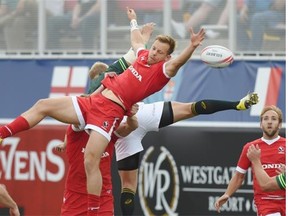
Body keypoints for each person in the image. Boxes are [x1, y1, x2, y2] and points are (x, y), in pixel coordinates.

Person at [0, 6, 205, 214]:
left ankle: (93, 210)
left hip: (110, 112)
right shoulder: (143, 56)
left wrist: (192, 47)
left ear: (166, 57)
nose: (154, 53)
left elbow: (178, 63)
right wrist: (133, 21)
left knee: (91, 159)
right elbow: (137, 41)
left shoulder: (161, 72)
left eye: (160, 52)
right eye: (154, 48)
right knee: (43, 105)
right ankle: (3, 133)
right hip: (93, 101)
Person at [55, 112, 138, 216]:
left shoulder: (108, 133)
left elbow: (132, 126)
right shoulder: (76, 132)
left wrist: (129, 111)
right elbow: (75, 116)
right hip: (75, 199)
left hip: (103, 198)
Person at [215, 105, 286, 215]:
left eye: (274, 118)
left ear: (280, 124)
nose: (270, 122)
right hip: (265, 202)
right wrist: (227, 194)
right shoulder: (251, 147)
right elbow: (239, 176)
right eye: (266, 118)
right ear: (260, 124)